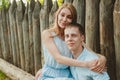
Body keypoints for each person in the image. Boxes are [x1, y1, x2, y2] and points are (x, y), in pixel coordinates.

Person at [35, 3, 106, 80]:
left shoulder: (71, 38)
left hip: (68, 74)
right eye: (62, 15)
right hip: (49, 74)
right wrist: (87, 64)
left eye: (69, 17)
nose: (64, 19)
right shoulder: (48, 34)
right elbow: (58, 59)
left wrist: (103, 58)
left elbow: (91, 52)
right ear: (57, 15)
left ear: (73, 20)